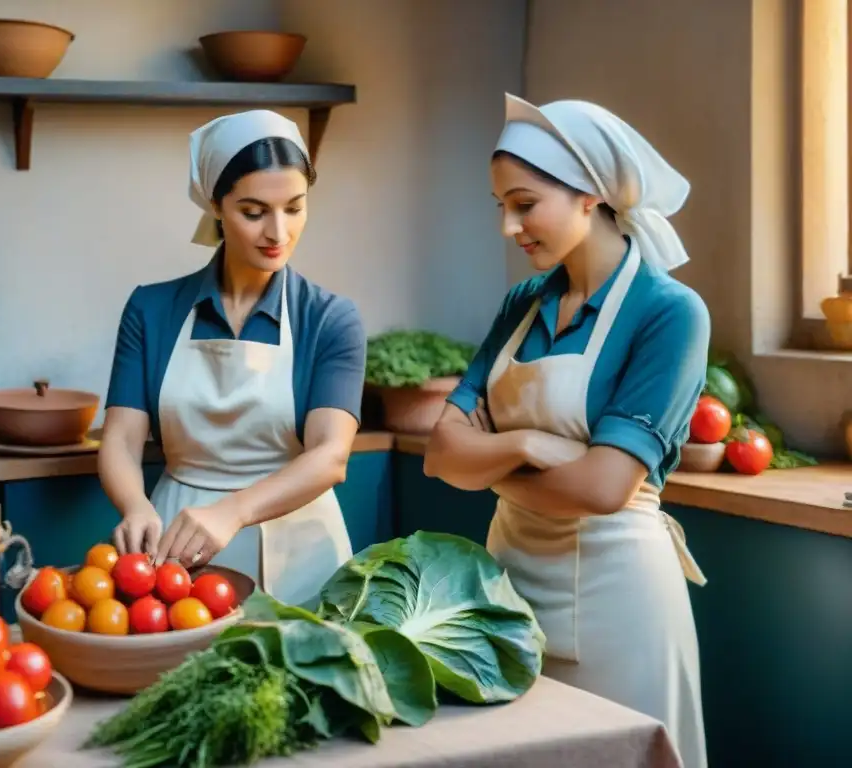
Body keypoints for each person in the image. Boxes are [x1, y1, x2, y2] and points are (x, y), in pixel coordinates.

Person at [423, 94, 709, 768]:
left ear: (589, 195)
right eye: (501, 206)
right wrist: (524, 445)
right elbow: (440, 454)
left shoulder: (670, 313)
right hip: (506, 591)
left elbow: (606, 485)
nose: (509, 226)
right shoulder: (524, 304)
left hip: (621, 602)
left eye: (524, 203)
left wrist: (488, 460)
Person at [98, 109, 366, 609]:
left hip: (301, 552)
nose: (278, 231)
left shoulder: (330, 319)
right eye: (254, 210)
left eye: (295, 207)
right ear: (216, 206)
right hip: (176, 546)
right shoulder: (151, 309)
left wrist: (234, 511)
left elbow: (330, 458)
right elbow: (120, 437)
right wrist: (134, 506)